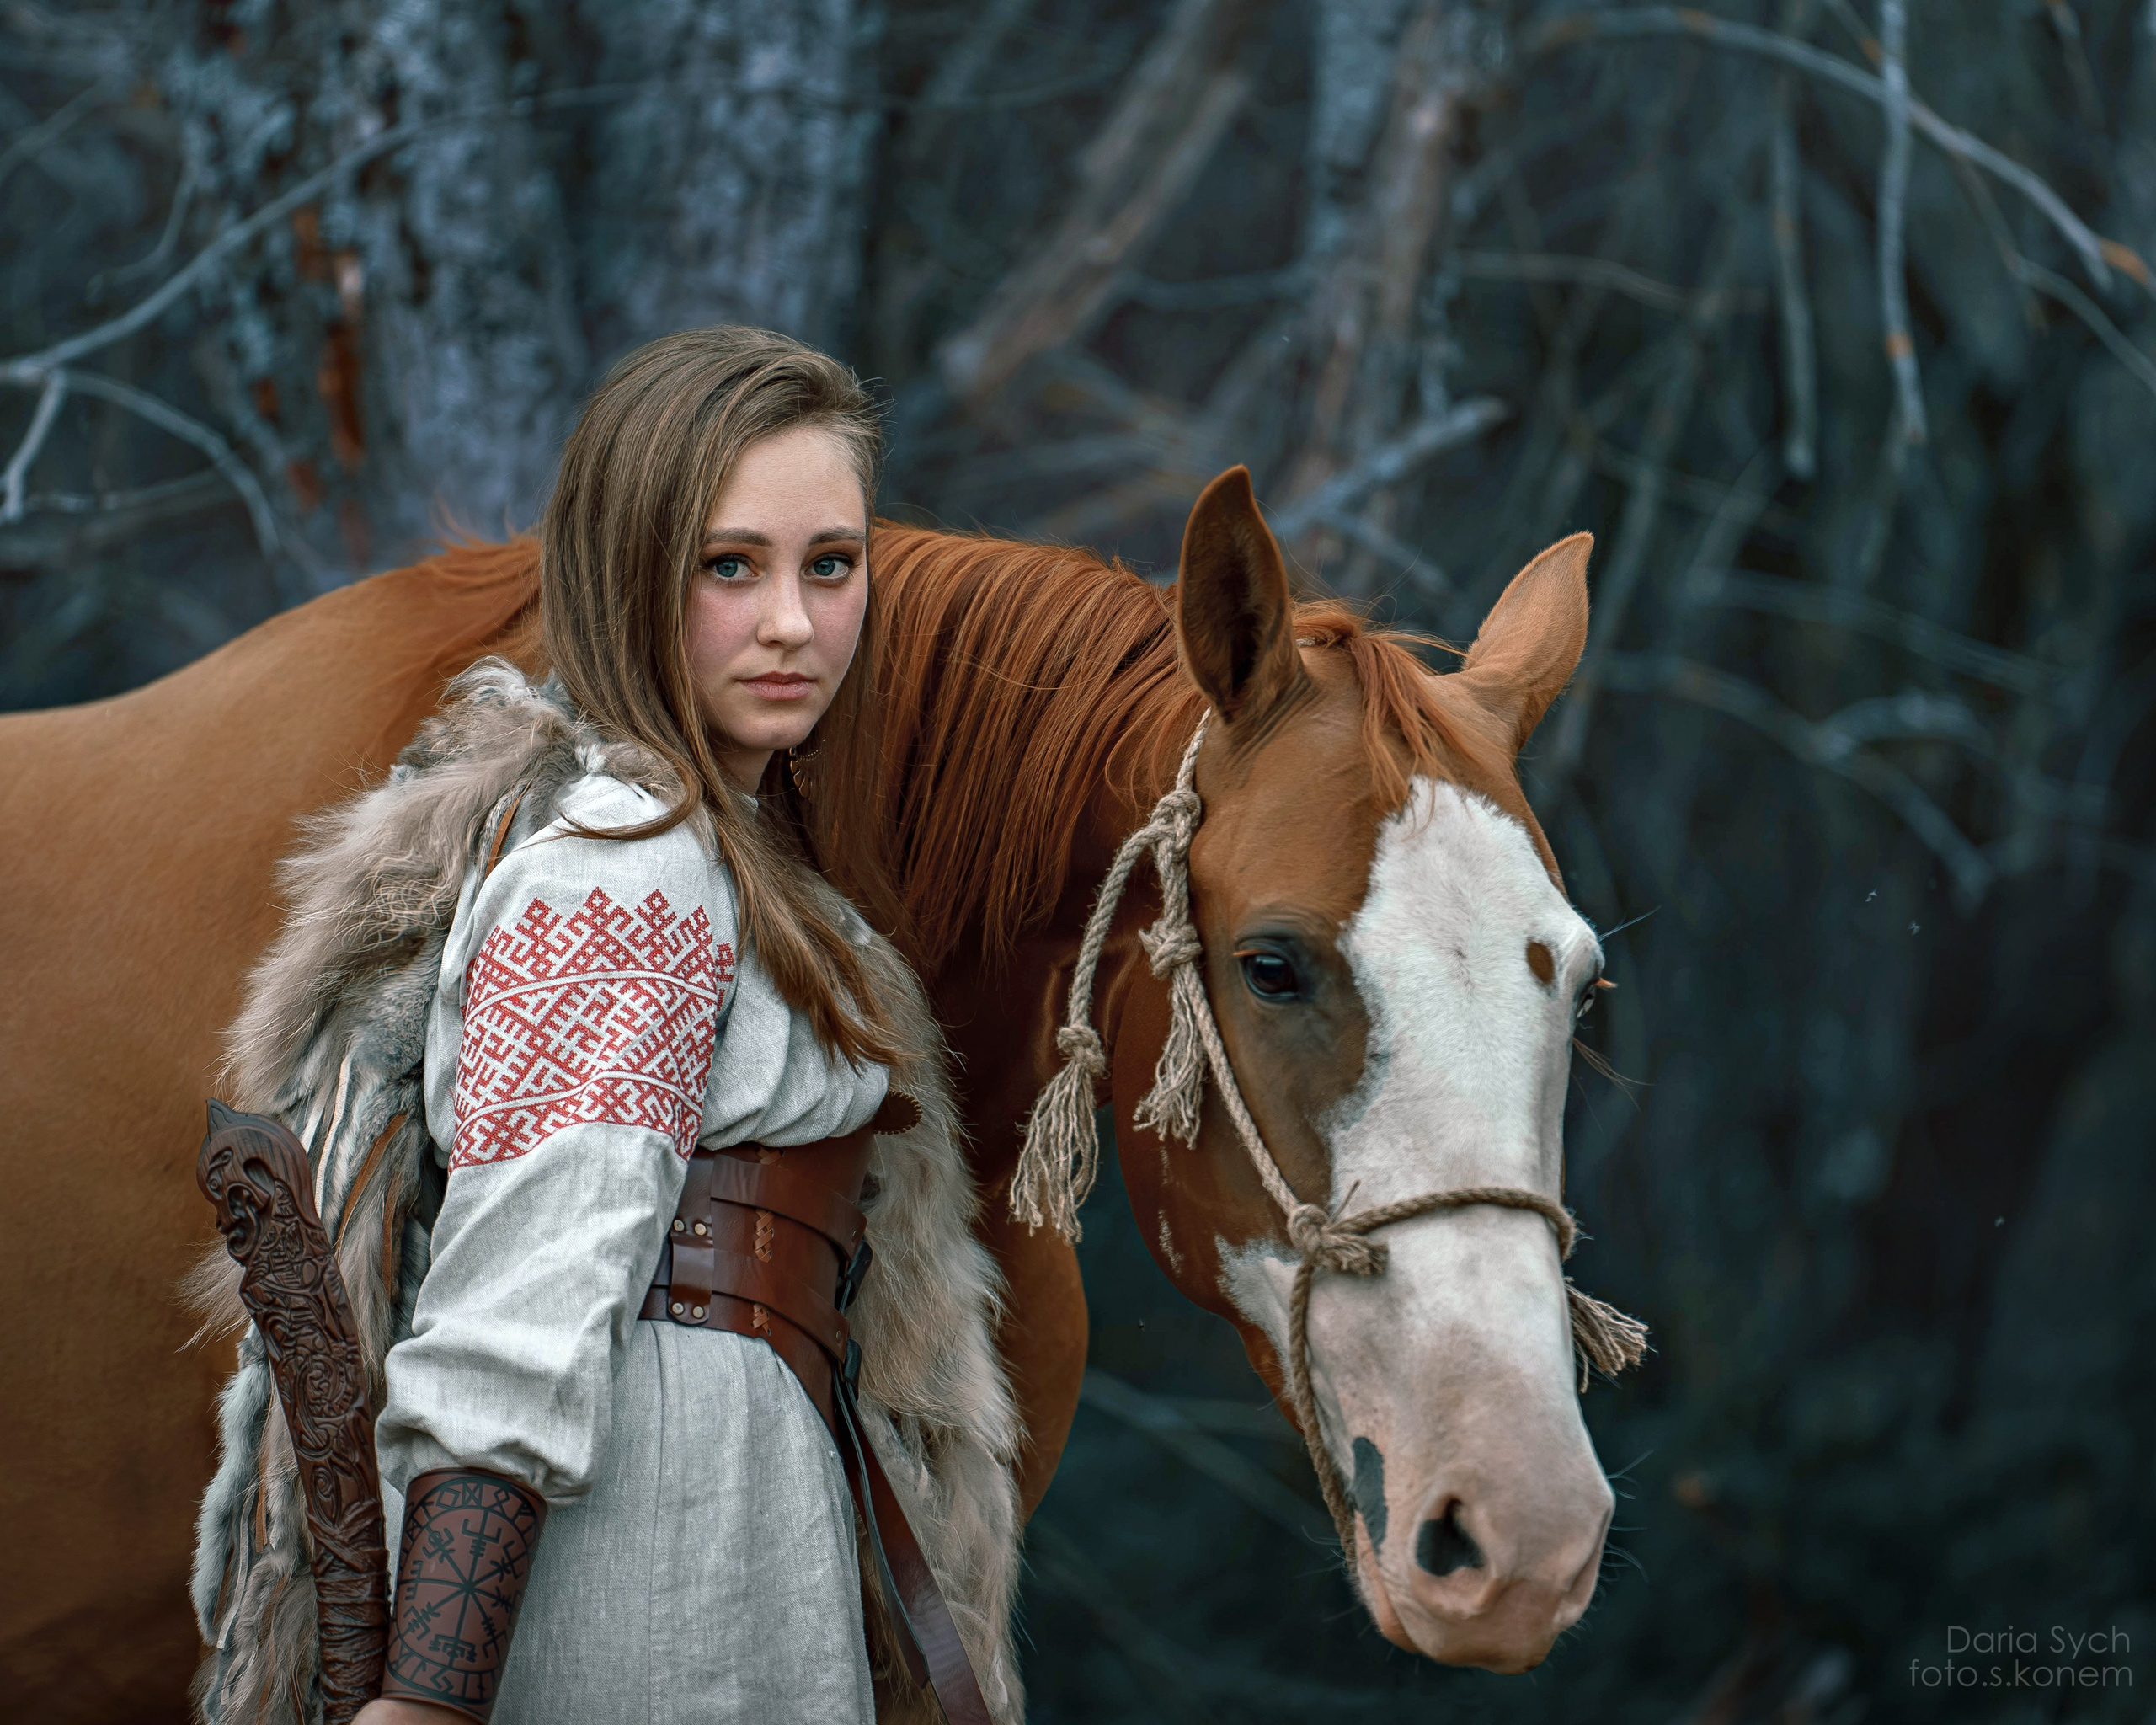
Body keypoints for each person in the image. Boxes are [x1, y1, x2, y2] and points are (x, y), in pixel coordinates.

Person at [344, 327, 923, 1725]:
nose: (792, 623)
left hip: (734, 1476)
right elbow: (520, 1293)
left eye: (829, 564)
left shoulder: (726, 851)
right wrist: (428, 1702)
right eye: (730, 566)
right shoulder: (627, 868)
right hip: (651, 1510)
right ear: (628, 573)